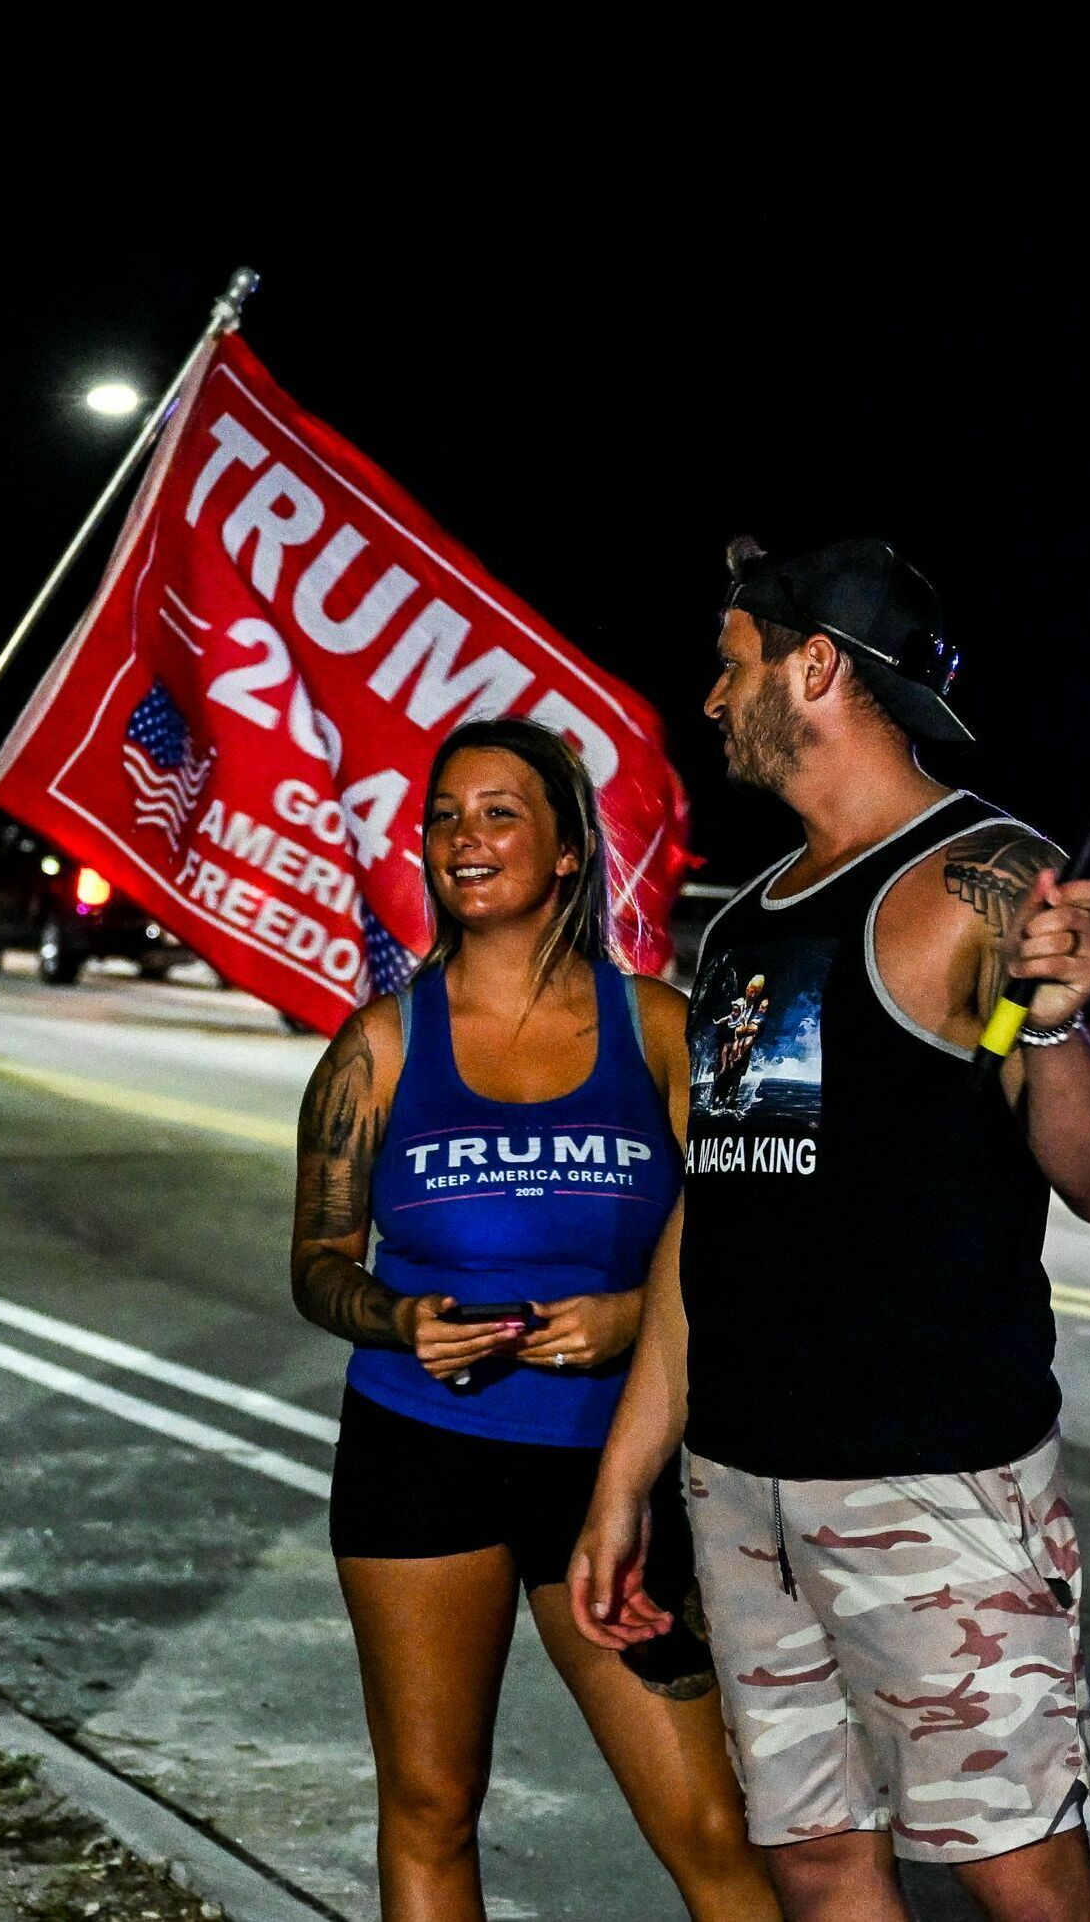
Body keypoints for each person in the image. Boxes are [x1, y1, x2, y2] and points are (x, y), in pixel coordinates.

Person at [572, 540, 1090, 1922]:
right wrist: (628, 1472)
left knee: (1019, 1872)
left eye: (731, 659)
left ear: (813, 665)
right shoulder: (745, 927)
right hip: (741, 1483)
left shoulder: (989, 880)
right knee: (817, 1861)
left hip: (928, 1482)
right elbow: (715, 1217)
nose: (711, 698)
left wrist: (1055, 1026)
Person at [289, 718, 772, 1922]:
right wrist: (398, 1315)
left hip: (609, 1471)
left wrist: (631, 1319)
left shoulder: (659, 1027)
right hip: (417, 1460)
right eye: (446, 814)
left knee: (714, 1826)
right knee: (430, 1806)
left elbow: (739, 1237)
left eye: (500, 811)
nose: (465, 836)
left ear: (566, 848)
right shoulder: (382, 1043)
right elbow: (315, 1261)